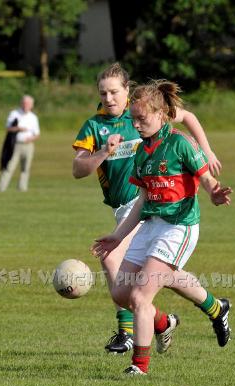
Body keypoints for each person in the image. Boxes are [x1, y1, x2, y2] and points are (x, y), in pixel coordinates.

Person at [72, 63, 222, 355]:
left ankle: (127, 332)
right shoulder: (95, 126)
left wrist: (207, 151)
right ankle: (191, 313)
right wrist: (103, 152)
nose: (109, 98)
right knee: (161, 276)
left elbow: (187, 116)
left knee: (115, 263)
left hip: (149, 206)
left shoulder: (144, 111)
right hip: (126, 208)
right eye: (103, 93)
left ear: (126, 90)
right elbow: (78, 170)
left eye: (114, 91)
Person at [0, 95, 40, 192]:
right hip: (16, 144)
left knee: (25, 168)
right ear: (21, 103)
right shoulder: (14, 113)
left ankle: (22, 188)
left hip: (28, 145)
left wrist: (31, 138)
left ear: (31, 105)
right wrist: (18, 129)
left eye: (28, 104)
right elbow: (8, 128)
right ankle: (1, 188)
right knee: (10, 166)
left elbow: (37, 134)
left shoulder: (33, 117)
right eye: (24, 103)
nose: (26, 105)